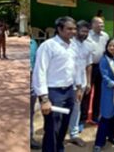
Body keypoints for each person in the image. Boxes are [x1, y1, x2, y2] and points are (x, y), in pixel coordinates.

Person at [33, 16, 83, 152]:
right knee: (52, 129)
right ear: (59, 29)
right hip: (53, 92)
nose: (73, 31)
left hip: (69, 91)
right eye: (69, 29)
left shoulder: (74, 45)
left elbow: (76, 67)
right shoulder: (48, 46)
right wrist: (44, 99)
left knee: (63, 126)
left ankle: (59, 149)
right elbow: (39, 72)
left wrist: (78, 88)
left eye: (74, 29)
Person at [93, 38, 114, 152]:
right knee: (105, 116)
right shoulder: (104, 60)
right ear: (107, 47)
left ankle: (112, 137)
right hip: (109, 91)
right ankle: (99, 143)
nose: (112, 48)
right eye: (110, 46)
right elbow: (105, 76)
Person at [68, 20, 93, 147]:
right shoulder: (68, 44)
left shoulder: (87, 46)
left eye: (87, 32)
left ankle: (74, 134)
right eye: (83, 31)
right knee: (63, 108)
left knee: (76, 108)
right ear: (76, 31)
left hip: (81, 83)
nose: (85, 34)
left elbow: (89, 65)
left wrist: (88, 82)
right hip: (66, 83)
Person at [80, 17, 109, 125]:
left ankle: (95, 116)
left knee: (99, 93)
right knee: (87, 92)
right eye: (100, 24)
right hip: (88, 66)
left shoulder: (105, 36)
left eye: (103, 24)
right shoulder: (87, 35)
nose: (102, 26)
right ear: (93, 24)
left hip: (101, 67)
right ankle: (83, 118)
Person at [30, 37, 42, 150]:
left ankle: (30, 137)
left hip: (32, 80)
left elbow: (37, 64)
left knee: (31, 111)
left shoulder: (33, 43)